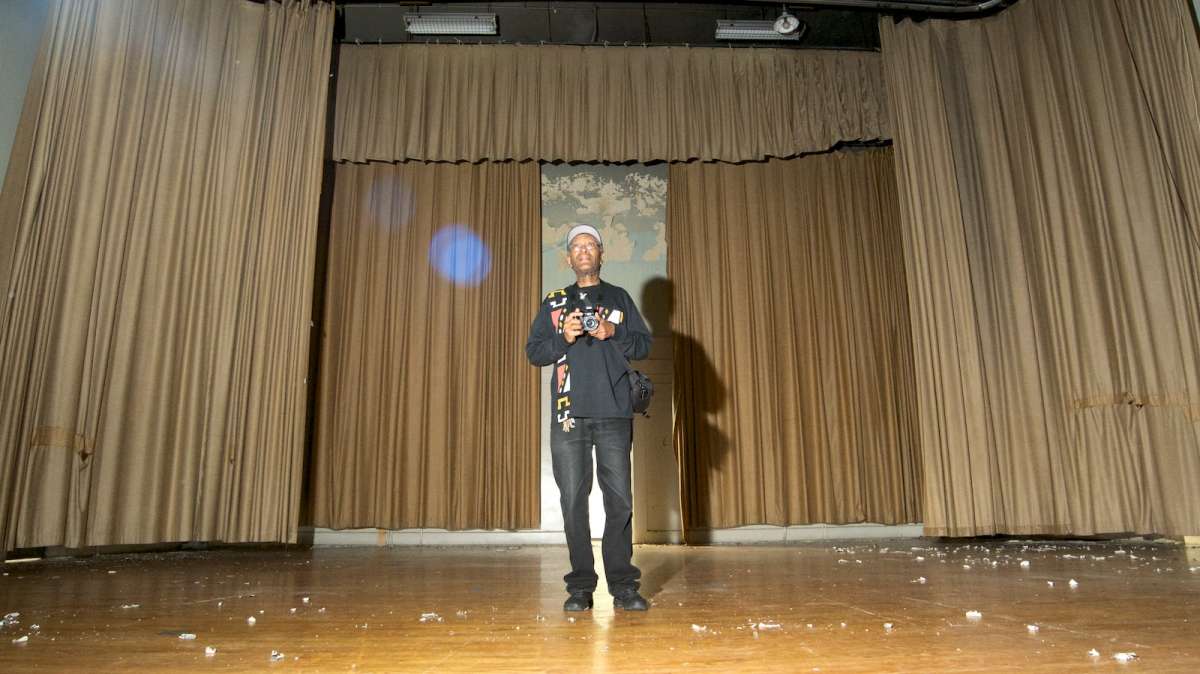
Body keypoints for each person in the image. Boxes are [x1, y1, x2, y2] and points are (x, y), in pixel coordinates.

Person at [525, 224, 653, 612]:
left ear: (601, 254)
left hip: (614, 412)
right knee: (573, 501)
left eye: (590, 246)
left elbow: (644, 345)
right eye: (576, 247)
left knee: (620, 502)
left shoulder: (618, 297)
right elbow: (534, 353)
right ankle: (580, 585)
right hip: (569, 415)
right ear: (568, 258)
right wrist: (563, 336)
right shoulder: (553, 303)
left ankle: (623, 585)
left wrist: (612, 330)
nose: (583, 252)